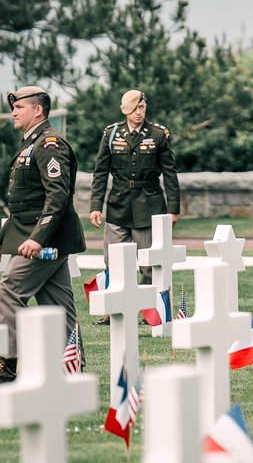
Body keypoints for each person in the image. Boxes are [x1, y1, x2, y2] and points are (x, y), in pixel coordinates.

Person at [0, 86, 87, 381]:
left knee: (8, 291)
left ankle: (5, 362)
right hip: (35, 235)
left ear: (37, 110)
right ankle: (73, 365)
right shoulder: (31, 142)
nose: (13, 111)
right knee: (57, 301)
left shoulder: (49, 143)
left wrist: (38, 238)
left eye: (19, 107)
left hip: (44, 238)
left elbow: (57, 196)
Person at [89, 90, 180, 325]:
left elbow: (170, 173)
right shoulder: (112, 134)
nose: (139, 112)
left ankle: (148, 310)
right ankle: (113, 308)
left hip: (148, 204)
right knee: (113, 260)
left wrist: (173, 208)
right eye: (134, 108)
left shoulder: (159, 134)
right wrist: (95, 205)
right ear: (125, 110)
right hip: (118, 204)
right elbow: (100, 171)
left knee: (148, 262)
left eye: (142, 107)